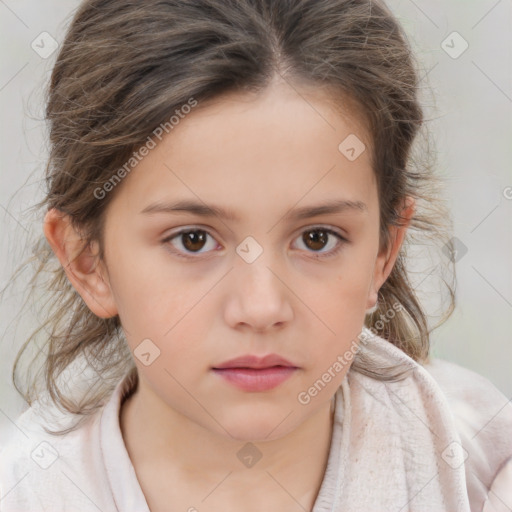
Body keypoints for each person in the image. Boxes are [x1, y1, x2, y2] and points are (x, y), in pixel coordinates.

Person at [1, 0, 511, 511]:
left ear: (384, 251)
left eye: (317, 239)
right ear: (88, 261)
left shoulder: (482, 467)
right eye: (193, 240)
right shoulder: (27, 492)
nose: (262, 308)